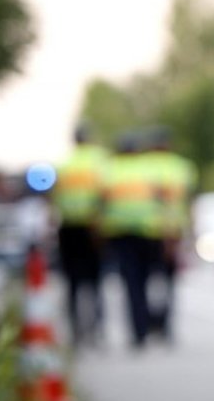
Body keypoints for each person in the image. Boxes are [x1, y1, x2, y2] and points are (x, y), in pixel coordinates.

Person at [100, 131, 163, 348]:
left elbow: (101, 203)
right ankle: (146, 327)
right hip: (148, 234)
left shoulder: (109, 170)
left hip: (121, 235)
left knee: (131, 285)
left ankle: (138, 331)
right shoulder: (149, 169)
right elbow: (161, 200)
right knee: (146, 282)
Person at [140, 126, 197, 342]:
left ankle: (147, 324)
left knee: (144, 281)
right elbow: (190, 201)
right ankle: (165, 325)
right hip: (173, 232)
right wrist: (191, 230)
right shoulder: (181, 167)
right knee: (168, 282)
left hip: (147, 232)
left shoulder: (141, 167)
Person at [53, 124, 107, 345]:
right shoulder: (99, 161)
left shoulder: (64, 164)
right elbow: (105, 194)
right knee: (95, 281)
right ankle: (96, 328)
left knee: (73, 281)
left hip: (68, 228)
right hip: (93, 228)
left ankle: (75, 328)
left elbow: (53, 196)